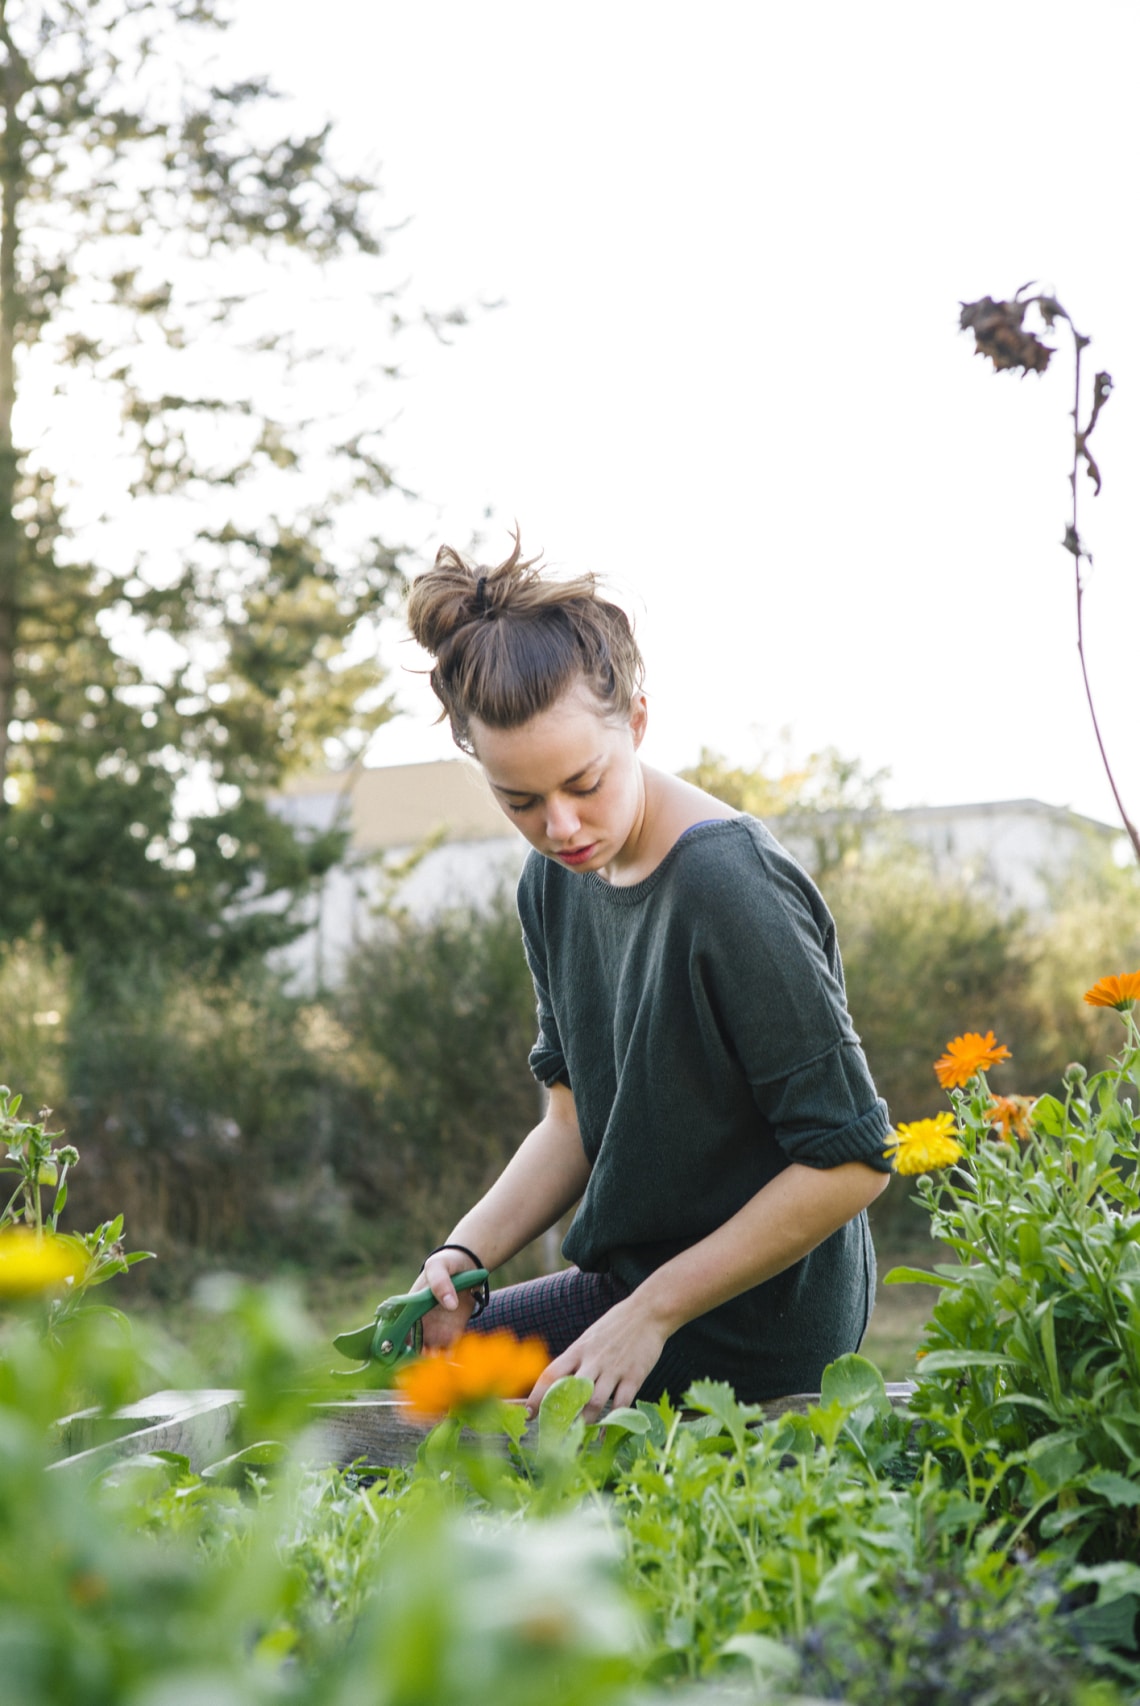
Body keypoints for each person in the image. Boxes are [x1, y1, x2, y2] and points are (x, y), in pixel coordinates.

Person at [406, 535, 891, 1422]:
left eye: (583, 783)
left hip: (756, 1319)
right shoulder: (552, 882)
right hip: (628, 1288)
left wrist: (653, 1313)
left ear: (635, 722)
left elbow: (852, 1160)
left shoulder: (727, 886)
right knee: (420, 1371)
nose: (559, 825)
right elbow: (575, 1124)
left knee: (455, 1419)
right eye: (519, 801)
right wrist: (464, 1254)